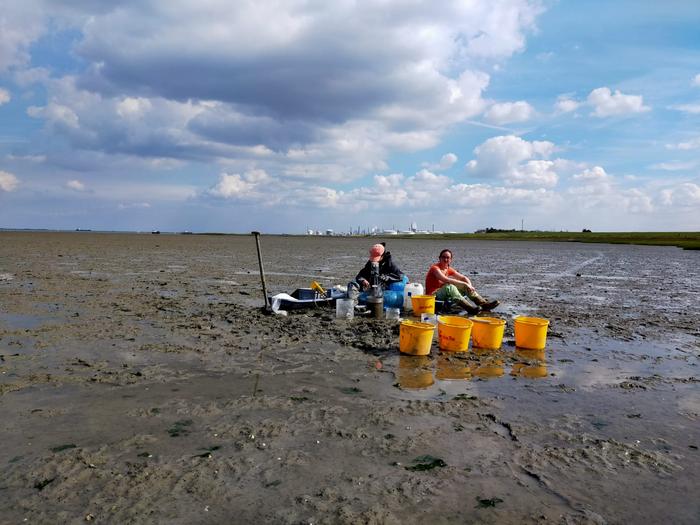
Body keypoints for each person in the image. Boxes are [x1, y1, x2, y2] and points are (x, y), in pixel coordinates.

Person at [425, 248, 499, 315]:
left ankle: (483, 304)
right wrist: (465, 284)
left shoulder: (448, 268)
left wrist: (469, 286)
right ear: (440, 258)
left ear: (450, 259)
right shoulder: (435, 268)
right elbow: (446, 279)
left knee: (464, 287)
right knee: (450, 287)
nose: (445, 259)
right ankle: (469, 308)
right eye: (443, 257)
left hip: (443, 294)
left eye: (448, 258)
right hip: (433, 295)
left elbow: (463, 278)